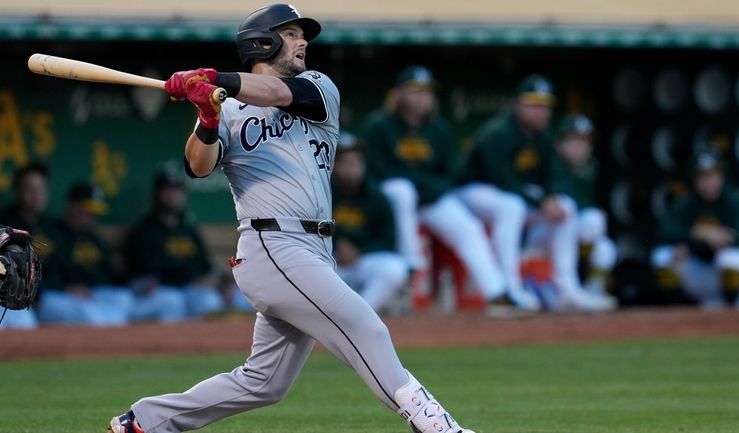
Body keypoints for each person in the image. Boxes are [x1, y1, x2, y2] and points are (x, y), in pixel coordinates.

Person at [108, 5, 475, 433]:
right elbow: (199, 166)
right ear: (262, 42)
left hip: (316, 249)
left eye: (304, 36)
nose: (303, 42)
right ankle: (437, 426)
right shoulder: (224, 109)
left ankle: (144, 422)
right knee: (365, 327)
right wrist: (207, 118)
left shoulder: (317, 86)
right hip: (271, 243)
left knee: (264, 383)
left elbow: (277, 94)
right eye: (292, 33)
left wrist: (216, 80)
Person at [360, 64, 539, 316]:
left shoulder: (439, 129)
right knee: (402, 190)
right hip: (393, 202)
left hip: (429, 199)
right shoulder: (379, 126)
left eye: (426, 91)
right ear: (399, 93)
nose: (422, 96)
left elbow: (449, 176)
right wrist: (421, 184)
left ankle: (497, 294)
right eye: (415, 90)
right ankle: (411, 265)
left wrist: (425, 187)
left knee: (469, 228)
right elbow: (378, 173)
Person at [456, 74, 617, 312]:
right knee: (511, 206)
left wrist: (552, 198)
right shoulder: (499, 132)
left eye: (544, 106)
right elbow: (503, 180)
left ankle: (568, 290)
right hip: (472, 192)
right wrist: (541, 201)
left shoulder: (544, 136)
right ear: (519, 105)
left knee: (566, 207)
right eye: (534, 105)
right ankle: (510, 288)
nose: (540, 112)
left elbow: (555, 176)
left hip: (517, 197)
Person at [651, 152, 739, 310]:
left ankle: (734, 310)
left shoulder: (736, 202)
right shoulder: (685, 203)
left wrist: (700, 242)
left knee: (732, 258)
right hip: (700, 276)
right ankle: (677, 314)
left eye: (713, 176)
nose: (708, 183)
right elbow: (664, 232)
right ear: (694, 180)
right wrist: (697, 233)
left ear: (723, 177)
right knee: (663, 256)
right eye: (702, 178)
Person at [123, 169, 224, 321]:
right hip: (159, 289)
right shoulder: (145, 230)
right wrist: (191, 278)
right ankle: (166, 344)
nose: (174, 196)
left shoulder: (188, 230)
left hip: (188, 287)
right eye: (168, 191)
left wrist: (212, 279)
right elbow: (147, 272)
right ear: (157, 194)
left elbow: (203, 264)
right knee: (172, 301)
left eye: (178, 191)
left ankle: (199, 343)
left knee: (209, 300)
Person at [331, 131, 409, 313]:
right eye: (344, 163)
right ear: (333, 165)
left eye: (356, 163)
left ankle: (359, 315)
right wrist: (338, 243)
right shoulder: (321, 193)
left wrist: (360, 251)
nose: (351, 169)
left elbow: (388, 241)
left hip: (362, 261)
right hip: (329, 262)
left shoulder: (376, 196)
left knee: (395, 269)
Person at [36, 182, 135, 325]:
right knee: (86, 313)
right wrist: (65, 288)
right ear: (72, 207)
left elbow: (111, 275)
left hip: (90, 295)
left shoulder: (93, 238)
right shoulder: (50, 235)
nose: (92, 216)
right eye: (87, 210)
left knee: (125, 298)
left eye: (94, 211)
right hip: (58, 296)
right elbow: (39, 275)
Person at [552, 114, 618, 296]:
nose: (581, 147)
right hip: (545, 237)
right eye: (574, 141)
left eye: (585, 142)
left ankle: (593, 291)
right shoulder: (550, 164)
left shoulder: (590, 169)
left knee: (606, 248)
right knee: (591, 218)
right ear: (559, 143)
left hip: (573, 237)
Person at [0, 162, 55, 329]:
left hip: (50, 295)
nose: (36, 194)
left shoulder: (50, 226)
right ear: (17, 191)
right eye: (30, 189)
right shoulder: (5, 225)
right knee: (23, 321)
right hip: (14, 299)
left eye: (41, 189)